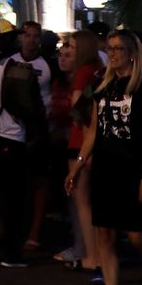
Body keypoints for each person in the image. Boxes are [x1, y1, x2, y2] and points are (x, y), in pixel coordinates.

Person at [67, 29, 142, 285]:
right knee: (104, 235)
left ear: (132, 54)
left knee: (137, 236)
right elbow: (92, 131)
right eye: (110, 48)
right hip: (105, 168)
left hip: (132, 168)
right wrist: (78, 164)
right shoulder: (102, 85)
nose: (112, 54)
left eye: (118, 49)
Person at [0, 23, 50, 268]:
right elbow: (26, 105)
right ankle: (9, 251)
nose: (18, 42)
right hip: (12, 136)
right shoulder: (13, 66)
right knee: (14, 198)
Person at [54, 30, 101, 268]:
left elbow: (77, 108)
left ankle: (91, 255)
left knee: (81, 200)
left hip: (80, 142)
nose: (67, 51)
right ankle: (96, 253)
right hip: (92, 141)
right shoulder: (98, 69)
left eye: (71, 47)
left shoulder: (83, 72)